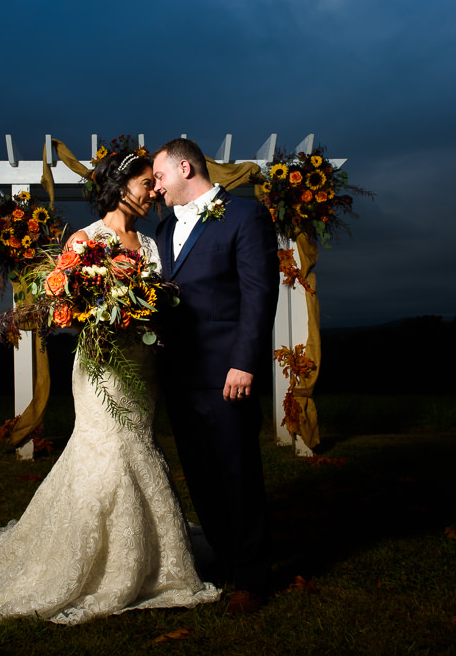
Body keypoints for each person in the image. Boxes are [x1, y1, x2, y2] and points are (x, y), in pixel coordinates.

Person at [0, 151, 220, 624]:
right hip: (102, 365)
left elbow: (165, 300)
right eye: (145, 182)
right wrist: (93, 307)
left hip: (142, 363)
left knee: (137, 442)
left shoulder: (153, 243)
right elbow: (62, 307)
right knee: (107, 449)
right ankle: (95, 563)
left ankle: (150, 559)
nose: (154, 191)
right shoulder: (86, 240)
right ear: (121, 187)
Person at [151, 137, 279, 616]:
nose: (156, 187)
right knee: (201, 475)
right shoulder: (163, 231)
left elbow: (259, 295)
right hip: (180, 374)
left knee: (237, 471)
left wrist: (244, 361)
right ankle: (226, 561)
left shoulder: (245, 216)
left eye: (160, 177)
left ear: (186, 168)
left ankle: (252, 576)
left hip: (228, 372)